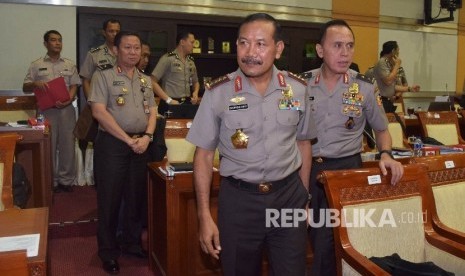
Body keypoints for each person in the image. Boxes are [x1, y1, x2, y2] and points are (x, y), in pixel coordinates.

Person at [186, 13, 316, 275]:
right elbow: (202, 156)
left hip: (288, 198)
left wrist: (304, 197)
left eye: (260, 44)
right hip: (239, 201)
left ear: (278, 49)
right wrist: (204, 215)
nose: (250, 52)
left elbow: (303, 144)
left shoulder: (298, 88)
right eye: (244, 43)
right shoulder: (218, 92)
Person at [301, 20, 404, 276]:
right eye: (337, 46)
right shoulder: (301, 85)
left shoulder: (365, 87)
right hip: (307, 171)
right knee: (313, 238)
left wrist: (386, 154)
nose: (345, 52)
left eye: (349, 46)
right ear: (320, 50)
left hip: (346, 172)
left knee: (335, 242)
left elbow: (381, 130)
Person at [88, 31, 157, 274]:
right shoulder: (103, 76)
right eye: (127, 47)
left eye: (137, 48)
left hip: (141, 145)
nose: (133, 52)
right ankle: (107, 251)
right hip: (114, 145)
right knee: (110, 199)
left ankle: (131, 243)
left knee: (135, 198)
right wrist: (128, 139)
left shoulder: (145, 80)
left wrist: (147, 137)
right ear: (116, 50)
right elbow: (99, 112)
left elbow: (152, 112)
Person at [23, 30, 81, 193]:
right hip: (46, 111)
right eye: (53, 40)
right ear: (46, 44)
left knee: (67, 145)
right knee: (48, 145)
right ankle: (51, 180)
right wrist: (35, 83)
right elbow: (25, 85)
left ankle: (66, 181)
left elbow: (74, 85)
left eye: (60, 40)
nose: (57, 43)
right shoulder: (36, 64)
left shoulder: (69, 64)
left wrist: (68, 100)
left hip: (66, 110)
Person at [151, 31, 200, 115]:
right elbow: (152, 81)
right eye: (191, 42)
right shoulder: (168, 58)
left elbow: (196, 82)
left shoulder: (190, 61)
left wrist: (195, 93)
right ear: (182, 42)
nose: (194, 45)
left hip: (187, 103)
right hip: (170, 103)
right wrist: (168, 100)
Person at [373, 40, 420, 113]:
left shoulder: (389, 64)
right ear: (393, 51)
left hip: (388, 101)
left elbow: (392, 86)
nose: (398, 54)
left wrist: (410, 89)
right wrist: (397, 65)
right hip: (380, 100)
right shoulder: (382, 62)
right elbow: (388, 81)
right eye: (397, 51)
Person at [80, 18, 121, 99]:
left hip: (122, 100)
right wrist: (90, 102)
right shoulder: (94, 54)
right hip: (100, 100)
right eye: (111, 31)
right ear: (104, 33)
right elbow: (86, 81)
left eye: (117, 31)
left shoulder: (126, 53)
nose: (115, 34)